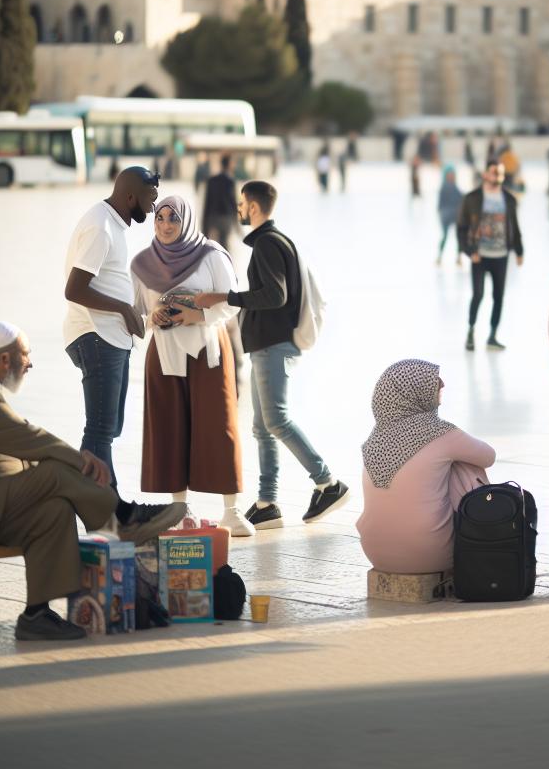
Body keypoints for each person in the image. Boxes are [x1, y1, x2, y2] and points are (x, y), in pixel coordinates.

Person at [0, 322, 187, 641]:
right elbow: (29, 437)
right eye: (25, 355)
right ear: (5, 359)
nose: (29, 363)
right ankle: (119, 518)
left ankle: (36, 615)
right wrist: (81, 459)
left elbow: (20, 445)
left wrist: (65, 462)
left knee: (54, 509)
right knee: (55, 472)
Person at [191, 181, 350, 530]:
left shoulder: (266, 243)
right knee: (262, 427)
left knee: (276, 420)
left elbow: (274, 295)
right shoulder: (276, 241)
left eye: (242, 204)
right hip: (270, 343)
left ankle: (328, 483)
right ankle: (267, 503)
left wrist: (225, 297)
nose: (238, 209)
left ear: (254, 206)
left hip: (272, 343)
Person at [130, 196, 253, 537]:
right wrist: (151, 317)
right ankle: (180, 509)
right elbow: (135, 312)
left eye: (172, 218)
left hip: (207, 351)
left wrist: (197, 314)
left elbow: (231, 302)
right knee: (170, 429)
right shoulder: (142, 264)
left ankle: (231, 510)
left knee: (220, 425)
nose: (166, 225)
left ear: (185, 220)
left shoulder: (211, 255)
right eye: (159, 218)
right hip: (165, 355)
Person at [63, 166, 160, 490]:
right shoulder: (101, 226)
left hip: (110, 337)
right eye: (150, 198)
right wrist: (123, 309)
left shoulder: (113, 224)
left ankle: (106, 506)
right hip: (96, 336)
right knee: (100, 429)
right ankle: (110, 513)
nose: (153, 206)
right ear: (130, 195)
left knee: (109, 428)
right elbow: (74, 289)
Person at [356, 360, 497, 573]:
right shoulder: (441, 433)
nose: (442, 384)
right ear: (412, 391)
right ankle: (483, 536)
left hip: (376, 553)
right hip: (430, 555)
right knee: (465, 467)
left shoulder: (374, 439)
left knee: (442, 466)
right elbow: (488, 456)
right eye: (432, 380)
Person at [456, 159, 524, 351]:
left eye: (500, 173)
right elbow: (461, 228)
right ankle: (471, 331)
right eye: (494, 172)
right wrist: (469, 251)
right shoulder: (472, 198)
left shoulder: (509, 199)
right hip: (480, 255)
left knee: (499, 296)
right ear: (485, 174)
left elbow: (515, 226)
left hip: (501, 255)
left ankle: (492, 336)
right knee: (478, 294)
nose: (498, 177)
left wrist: (519, 250)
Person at [202, 154, 239, 247]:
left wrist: (204, 224)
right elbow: (233, 201)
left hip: (213, 217)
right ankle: (223, 260)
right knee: (224, 245)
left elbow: (207, 202)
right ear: (230, 164)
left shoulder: (212, 180)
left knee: (211, 246)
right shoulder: (230, 181)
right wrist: (236, 220)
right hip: (225, 218)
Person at [435, 164, 464, 265]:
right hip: (447, 215)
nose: (451, 176)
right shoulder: (445, 187)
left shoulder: (453, 187)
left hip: (454, 215)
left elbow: (461, 198)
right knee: (446, 236)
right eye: (449, 175)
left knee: (458, 237)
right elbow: (440, 204)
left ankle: (458, 257)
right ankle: (440, 256)